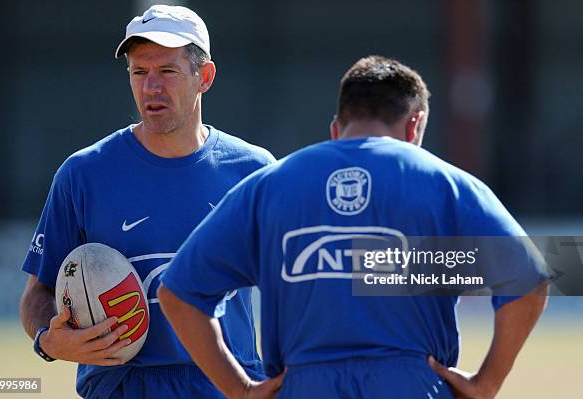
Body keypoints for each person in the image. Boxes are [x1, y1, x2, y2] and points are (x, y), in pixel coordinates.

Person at [158, 55, 548, 398]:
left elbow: (178, 293)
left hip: (303, 385)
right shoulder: (444, 182)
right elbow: (529, 279)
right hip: (413, 384)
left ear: (336, 128)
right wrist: (486, 383)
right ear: (415, 126)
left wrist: (240, 390)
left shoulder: (270, 185)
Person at [19, 4, 274, 398]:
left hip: (223, 386)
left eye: (167, 71)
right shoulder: (83, 173)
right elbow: (39, 291)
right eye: (139, 72)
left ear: (203, 76)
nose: (150, 87)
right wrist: (48, 340)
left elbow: (292, 285)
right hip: (120, 387)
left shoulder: (253, 170)